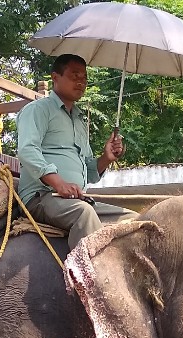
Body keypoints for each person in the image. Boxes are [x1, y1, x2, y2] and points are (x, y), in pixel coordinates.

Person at [16, 53, 137, 250]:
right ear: (55, 78)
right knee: (84, 214)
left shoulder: (80, 120)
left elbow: (89, 170)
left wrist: (106, 158)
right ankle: (87, 280)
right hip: (42, 197)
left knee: (133, 220)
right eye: (75, 76)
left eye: (84, 78)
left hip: (76, 199)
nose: (81, 82)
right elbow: (27, 150)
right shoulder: (38, 109)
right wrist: (59, 183)